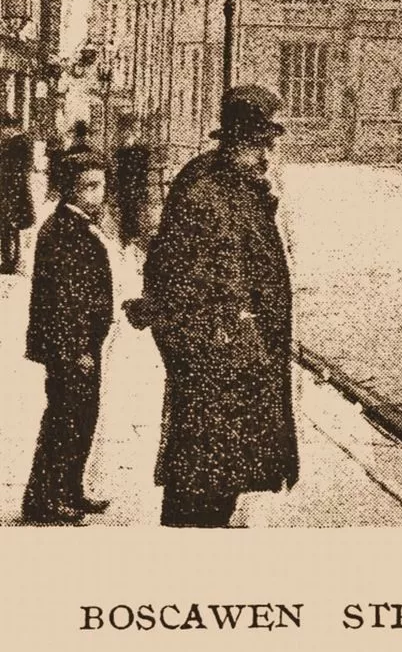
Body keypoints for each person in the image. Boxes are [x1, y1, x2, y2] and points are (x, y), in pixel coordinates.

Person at [136, 86, 299, 528]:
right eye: (259, 146)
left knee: (222, 477)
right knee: (204, 479)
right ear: (235, 144)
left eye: (268, 146)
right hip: (218, 364)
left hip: (236, 365)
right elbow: (174, 279)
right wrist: (217, 343)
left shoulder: (237, 187)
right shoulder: (205, 193)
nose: (266, 157)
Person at [21, 153, 115, 523]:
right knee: (64, 419)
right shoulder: (62, 230)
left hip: (82, 344)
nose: (97, 194)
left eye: (101, 185)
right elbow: (63, 300)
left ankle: (70, 489)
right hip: (70, 347)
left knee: (82, 416)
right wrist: (77, 348)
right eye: (89, 186)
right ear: (68, 189)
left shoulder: (76, 226)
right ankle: (45, 499)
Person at [0, 113, 36, 274]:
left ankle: (10, 260)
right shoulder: (22, 141)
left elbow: (15, 169)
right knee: (10, 226)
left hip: (11, 190)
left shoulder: (16, 143)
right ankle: (12, 259)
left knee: (8, 225)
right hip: (14, 189)